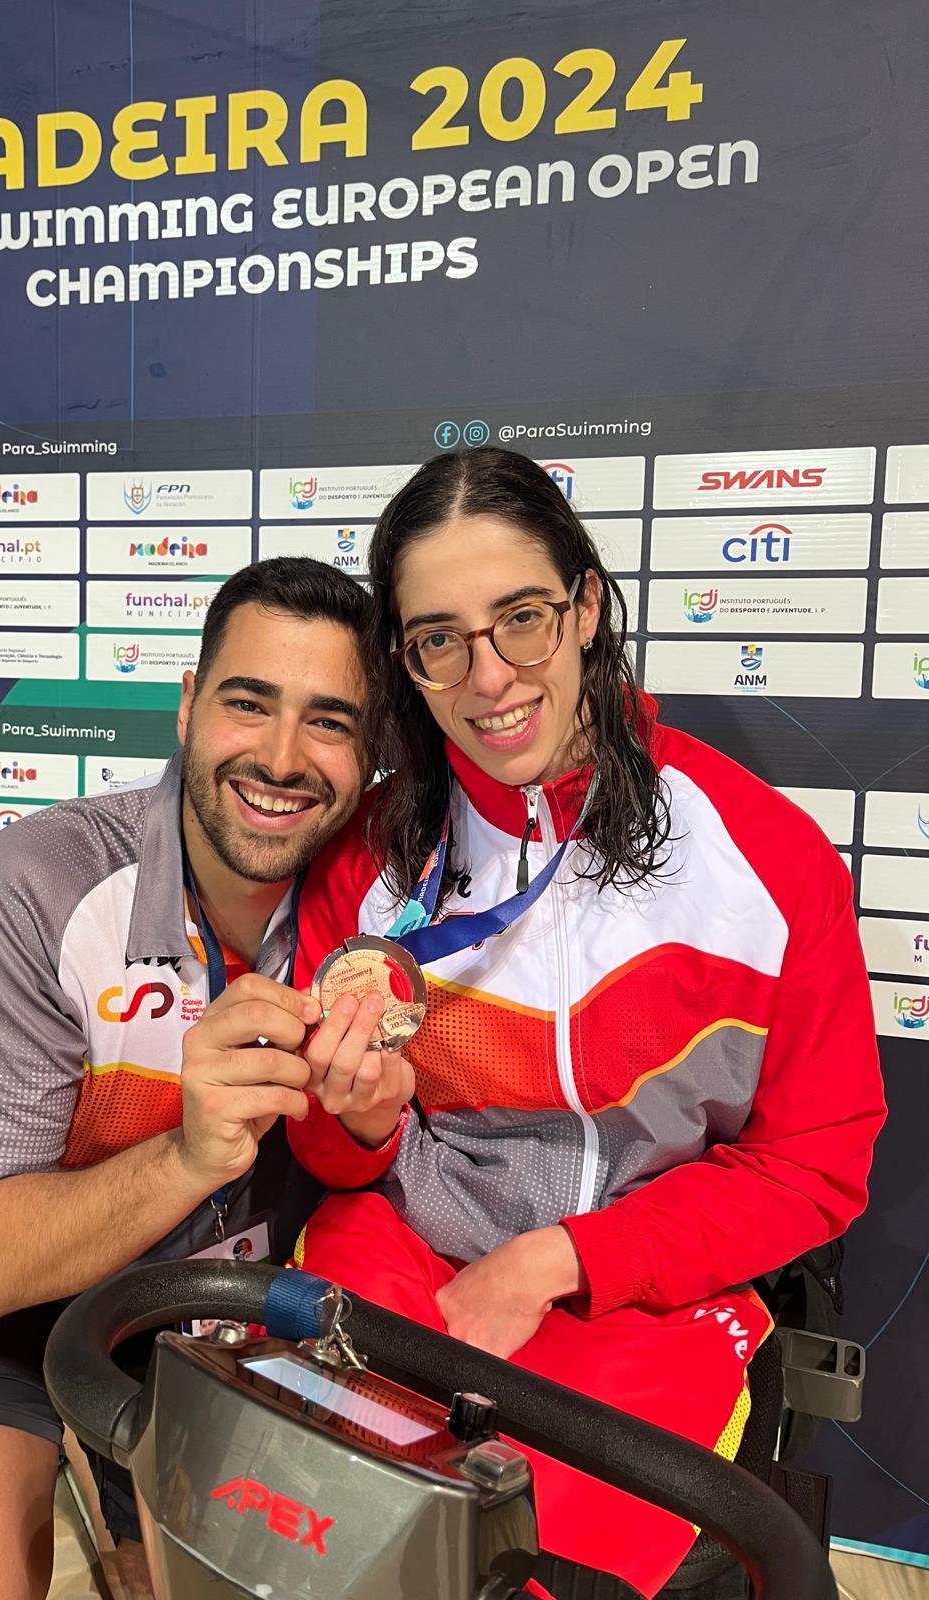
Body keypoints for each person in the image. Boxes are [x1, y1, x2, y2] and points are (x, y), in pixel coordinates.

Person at [288, 447, 887, 1599]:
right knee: (324, 1548)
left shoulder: (767, 858)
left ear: (588, 605)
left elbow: (815, 1164)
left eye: (522, 618)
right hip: (404, 1259)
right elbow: (333, 1159)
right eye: (438, 639)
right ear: (403, 659)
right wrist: (353, 1124)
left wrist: (560, 1258)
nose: (489, 677)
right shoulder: (363, 864)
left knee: (537, 1575)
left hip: (646, 1284)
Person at [0, 556, 393, 1600]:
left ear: (372, 754)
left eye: (329, 721)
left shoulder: (382, 902)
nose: (279, 756)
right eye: (248, 702)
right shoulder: (34, 884)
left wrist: (365, 1127)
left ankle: (115, 1477)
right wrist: (190, 1151)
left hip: (215, 1289)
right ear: (186, 706)